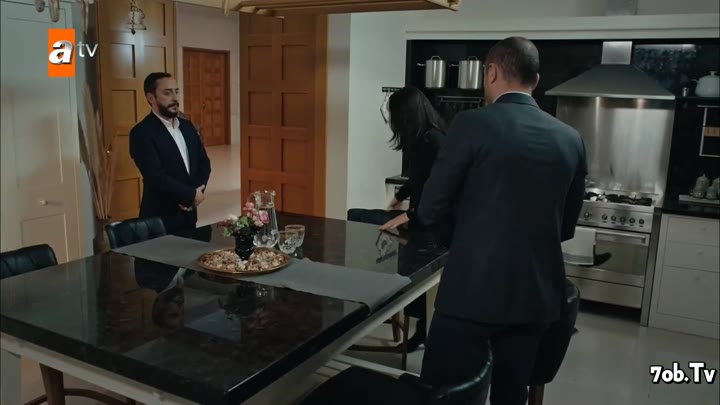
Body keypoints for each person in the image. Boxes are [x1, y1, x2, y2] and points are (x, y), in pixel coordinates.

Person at [416, 37, 587, 405]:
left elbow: (430, 209)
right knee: (511, 394)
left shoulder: (470, 124)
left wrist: (465, 241)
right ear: (535, 80)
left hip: (471, 290)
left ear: (491, 72)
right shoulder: (571, 138)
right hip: (535, 296)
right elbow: (566, 227)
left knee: (443, 392)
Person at [346, 86, 448, 351]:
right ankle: (402, 320)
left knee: (415, 273)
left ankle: (419, 332)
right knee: (357, 218)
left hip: (433, 225)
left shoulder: (435, 142)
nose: (391, 122)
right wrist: (400, 196)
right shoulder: (422, 140)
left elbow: (440, 190)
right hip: (420, 218)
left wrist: (409, 215)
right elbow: (418, 178)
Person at [129, 72, 211, 237]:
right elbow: (155, 176)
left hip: (189, 216)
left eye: (176, 91)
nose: (174, 98)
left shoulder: (187, 127)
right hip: (160, 220)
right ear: (151, 98)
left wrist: (197, 192)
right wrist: (189, 195)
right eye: (167, 93)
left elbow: (204, 163)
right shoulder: (142, 133)